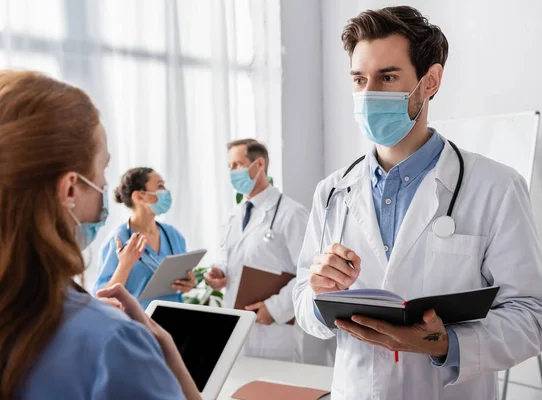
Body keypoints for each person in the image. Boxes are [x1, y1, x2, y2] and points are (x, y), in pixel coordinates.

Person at [292, 6, 542, 400]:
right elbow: (302, 301)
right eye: (359, 80)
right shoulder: (332, 191)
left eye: (387, 77)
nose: (369, 95)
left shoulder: (495, 186)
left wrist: (443, 343)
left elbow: (534, 316)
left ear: (430, 81)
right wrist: (318, 295)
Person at [0, 70, 201, 399]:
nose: (106, 185)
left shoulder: (172, 235)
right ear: (69, 188)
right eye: (102, 167)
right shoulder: (112, 344)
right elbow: (106, 294)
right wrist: (163, 352)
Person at [204, 139, 311, 362]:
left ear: (259, 164)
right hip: (238, 328)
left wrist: (274, 309)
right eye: (230, 166)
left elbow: (310, 273)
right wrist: (219, 273)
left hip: (275, 332)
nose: (232, 172)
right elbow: (232, 259)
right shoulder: (235, 215)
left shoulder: (291, 214)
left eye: (238, 165)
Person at [94, 167, 196, 308]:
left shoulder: (173, 235)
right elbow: (103, 298)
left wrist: (188, 284)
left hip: (172, 320)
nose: (166, 192)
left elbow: (180, 283)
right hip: (137, 323)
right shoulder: (118, 239)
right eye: (160, 186)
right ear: (139, 196)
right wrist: (125, 265)